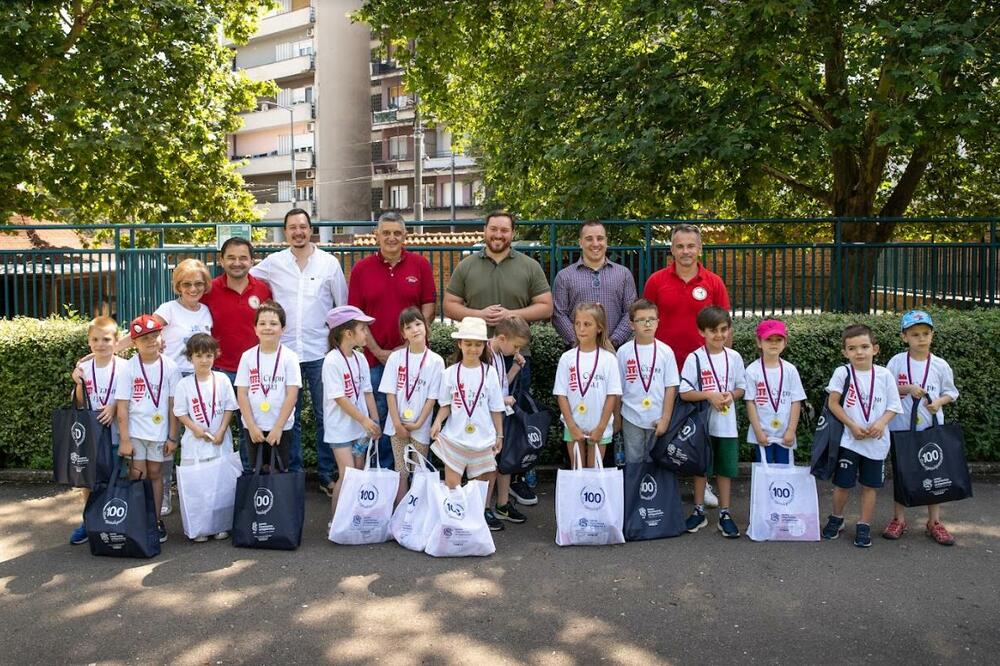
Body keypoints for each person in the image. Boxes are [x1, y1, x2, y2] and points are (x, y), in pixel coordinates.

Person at [444, 210, 553, 505]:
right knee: (474, 419)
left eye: (504, 230)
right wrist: (479, 315)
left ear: (512, 234)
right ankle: (474, 486)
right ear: (485, 230)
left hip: (514, 358)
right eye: (494, 229)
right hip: (475, 358)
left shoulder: (529, 266)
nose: (498, 235)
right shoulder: (467, 265)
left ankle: (513, 482)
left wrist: (512, 314)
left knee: (514, 424)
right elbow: (450, 305)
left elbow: (546, 307)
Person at [250, 208, 348, 496]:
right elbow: (247, 281)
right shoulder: (273, 263)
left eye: (303, 226)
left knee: (325, 415)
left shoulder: (329, 264)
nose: (298, 232)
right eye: (292, 227)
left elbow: (340, 309)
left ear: (311, 229)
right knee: (288, 415)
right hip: (286, 354)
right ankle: (291, 472)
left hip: (320, 352)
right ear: (285, 232)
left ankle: (326, 474)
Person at [643, 224, 730, 508]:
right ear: (672, 249)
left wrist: (723, 363)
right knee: (663, 427)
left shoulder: (714, 282)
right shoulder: (656, 281)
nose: (685, 251)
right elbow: (646, 322)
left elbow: (725, 328)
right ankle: (663, 485)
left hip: (703, 369)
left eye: (691, 246)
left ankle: (701, 486)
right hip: (663, 368)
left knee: (701, 432)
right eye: (680, 246)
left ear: (700, 248)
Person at [349, 212, 437, 472]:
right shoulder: (361, 269)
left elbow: (428, 309)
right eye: (386, 232)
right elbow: (356, 317)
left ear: (405, 236)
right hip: (374, 360)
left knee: (413, 419)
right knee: (380, 418)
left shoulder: (420, 265)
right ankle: (384, 475)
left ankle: (414, 476)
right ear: (376, 235)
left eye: (397, 233)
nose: (391, 237)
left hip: (413, 360)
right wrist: (377, 350)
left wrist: (404, 349)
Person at [821, 323, 904, 548]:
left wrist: (880, 423)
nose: (859, 352)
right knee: (842, 484)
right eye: (853, 348)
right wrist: (852, 425)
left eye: (864, 346)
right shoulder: (842, 372)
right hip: (850, 440)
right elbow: (833, 403)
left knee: (870, 486)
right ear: (844, 352)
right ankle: (836, 518)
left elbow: (894, 406)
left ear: (875, 349)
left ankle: (864, 524)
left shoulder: (885, 375)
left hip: (877, 442)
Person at [883, 310, 960, 546]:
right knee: (903, 473)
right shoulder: (897, 362)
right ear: (904, 337)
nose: (921, 338)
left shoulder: (939, 364)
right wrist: (906, 389)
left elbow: (951, 392)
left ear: (932, 336)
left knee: (933, 473)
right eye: (915, 334)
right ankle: (899, 519)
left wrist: (938, 402)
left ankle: (934, 522)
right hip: (901, 428)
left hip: (930, 428)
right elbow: (885, 389)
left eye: (926, 333)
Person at [201, 237, 272, 470]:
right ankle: (217, 478)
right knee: (214, 428)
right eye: (231, 257)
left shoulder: (263, 289)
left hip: (253, 373)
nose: (237, 262)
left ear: (252, 261)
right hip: (219, 371)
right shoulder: (209, 290)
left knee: (250, 429)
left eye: (243, 257)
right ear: (221, 260)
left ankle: (249, 478)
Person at [150, 258, 214, 517]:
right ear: (178, 286)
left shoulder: (206, 311)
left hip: (200, 381)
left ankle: (199, 493)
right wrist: (105, 351)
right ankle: (164, 491)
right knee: (168, 437)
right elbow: (141, 332)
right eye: (187, 284)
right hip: (173, 381)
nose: (193, 289)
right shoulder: (168, 309)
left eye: (198, 284)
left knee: (198, 439)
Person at [429, 317, 506, 530]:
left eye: (478, 344)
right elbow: (445, 405)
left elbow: (496, 408)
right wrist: (437, 422)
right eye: (468, 344)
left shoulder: (489, 373)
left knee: (477, 488)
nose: (473, 349)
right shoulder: (449, 373)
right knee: (452, 484)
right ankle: (453, 523)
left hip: (482, 439)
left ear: (484, 346)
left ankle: (474, 526)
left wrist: (499, 435)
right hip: (455, 438)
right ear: (459, 344)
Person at [679, 306, 747, 538]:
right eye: (713, 330)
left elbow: (741, 387)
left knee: (725, 470)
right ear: (701, 332)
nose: (719, 335)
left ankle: (725, 513)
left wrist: (730, 395)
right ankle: (698, 511)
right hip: (703, 427)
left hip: (727, 426)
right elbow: (685, 392)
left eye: (723, 330)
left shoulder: (734, 357)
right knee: (701, 470)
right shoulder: (694, 358)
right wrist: (709, 395)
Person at [115, 315, 181, 544]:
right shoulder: (128, 368)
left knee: (156, 474)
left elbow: (174, 405)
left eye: (155, 336)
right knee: (137, 474)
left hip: (160, 433)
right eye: (144, 338)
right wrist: (124, 439)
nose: (151, 341)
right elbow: (122, 407)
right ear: (134, 343)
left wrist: (173, 436)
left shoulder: (171, 367)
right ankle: (136, 517)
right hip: (135, 433)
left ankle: (154, 520)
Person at [171, 334, 238, 542]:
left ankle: (220, 524)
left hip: (220, 439)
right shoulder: (184, 384)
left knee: (220, 484)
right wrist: (195, 429)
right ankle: (200, 527)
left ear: (215, 356)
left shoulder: (223, 379)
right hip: (195, 441)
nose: (204, 360)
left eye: (208, 355)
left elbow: (229, 407)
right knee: (198, 485)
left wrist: (221, 430)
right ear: (190, 357)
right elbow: (180, 412)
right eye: (198, 355)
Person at [378, 307, 445, 504]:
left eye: (418, 324)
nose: (415, 329)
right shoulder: (396, 358)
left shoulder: (436, 361)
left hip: (420, 426)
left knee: (420, 471)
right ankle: (401, 515)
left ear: (425, 326)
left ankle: (418, 515)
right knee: (401, 471)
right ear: (403, 333)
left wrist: (417, 424)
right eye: (408, 327)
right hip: (396, 425)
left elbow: (432, 398)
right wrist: (397, 423)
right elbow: (390, 393)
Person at [322, 305, 381, 516]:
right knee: (347, 474)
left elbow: (367, 392)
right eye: (363, 329)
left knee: (358, 471)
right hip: (340, 428)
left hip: (361, 428)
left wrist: (374, 421)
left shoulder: (360, 358)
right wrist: (365, 421)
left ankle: (353, 517)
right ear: (348, 333)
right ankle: (336, 521)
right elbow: (340, 398)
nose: (366, 333)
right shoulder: (332, 361)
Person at [68, 316, 121, 545]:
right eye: (96, 339)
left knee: (116, 477)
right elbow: (79, 404)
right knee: (90, 479)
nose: (101, 344)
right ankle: (89, 520)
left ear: (116, 341)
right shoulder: (83, 369)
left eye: (106, 339)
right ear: (89, 342)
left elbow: (128, 397)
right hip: (90, 434)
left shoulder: (125, 367)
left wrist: (113, 407)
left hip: (117, 430)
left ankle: (113, 519)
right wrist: (79, 384)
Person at [554, 303, 623, 468]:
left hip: (599, 427)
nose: (581, 329)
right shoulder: (567, 358)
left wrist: (601, 427)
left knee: (594, 474)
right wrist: (571, 426)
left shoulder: (609, 359)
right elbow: (561, 395)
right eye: (577, 324)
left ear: (599, 328)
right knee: (577, 470)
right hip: (573, 425)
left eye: (587, 324)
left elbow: (612, 396)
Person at [235, 301, 302, 472]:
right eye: (262, 323)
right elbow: (242, 394)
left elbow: (292, 395)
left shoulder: (290, 357)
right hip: (253, 427)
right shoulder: (247, 357)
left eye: (274, 324)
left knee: (279, 471)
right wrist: (251, 425)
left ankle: (281, 500)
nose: (268, 328)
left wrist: (278, 427)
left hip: (280, 427)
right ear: (255, 328)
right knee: (256, 470)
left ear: (283, 328)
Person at [552, 220, 637, 349]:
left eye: (600, 238)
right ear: (580, 242)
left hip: (615, 351)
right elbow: (559, 314)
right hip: (577, 351)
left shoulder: (623, 274)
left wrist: (612, 342)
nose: (595, 243)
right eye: (589, 239)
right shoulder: (564, 276)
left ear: (606, 242)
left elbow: (630, 312)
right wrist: (579, 342)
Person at [615, 299, 679, 464]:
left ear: (658, 322)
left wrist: (665, 419)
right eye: (641, 320)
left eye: (651, 319)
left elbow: (671, 388)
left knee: (655, 460)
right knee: (633, 460)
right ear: (631, 324)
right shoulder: (623, 352)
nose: (647, 323)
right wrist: (617, 418)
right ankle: (634, 489)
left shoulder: (666, 352)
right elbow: (617, 389)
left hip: (657, 417)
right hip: (631, 416)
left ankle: (653, 490)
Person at [488, 315, 531, 524]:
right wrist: (502, 399)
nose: (516, 350)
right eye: (515, 346)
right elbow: (483, 391)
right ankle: (484, 508)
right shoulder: (486, 355)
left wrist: (514, 368)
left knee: (504, 462)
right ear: (502, 338)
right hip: (488, 421)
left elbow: (501, 384)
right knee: (490, 466)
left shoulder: (498, 353)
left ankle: (502, 505)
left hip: (500, 417)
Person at [744, 320, 807, 465]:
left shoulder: (790, 370)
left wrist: (791, 430)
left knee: (783, 473)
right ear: (759, 342)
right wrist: (758, 431)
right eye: (768, 339)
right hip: (762, 434)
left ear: (785, 342)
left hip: (785, 434)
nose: (774, 343)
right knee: (764, 472)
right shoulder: (752, 371)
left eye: (778, 339)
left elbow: (796, 401)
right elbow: (750, 402)